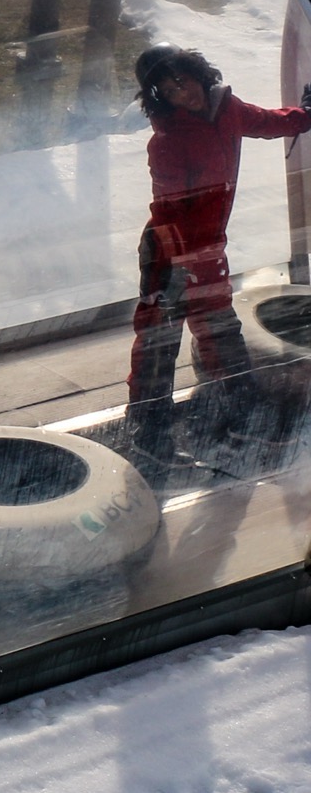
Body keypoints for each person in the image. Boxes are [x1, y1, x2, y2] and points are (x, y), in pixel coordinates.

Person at [124, 44, 311, 481]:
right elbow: (172, 209)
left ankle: (245, 421)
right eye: (169, 89)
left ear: (198, 74)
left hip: (206, 250)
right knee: (158, 347)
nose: (181, 92)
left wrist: (305, 116)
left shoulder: (228, 110)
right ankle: (149, 439)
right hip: (171, 252)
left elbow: (268, 122)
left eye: (183, 80)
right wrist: (187, 267)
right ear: (158, 97)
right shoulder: (168, 141)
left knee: (222, 336)